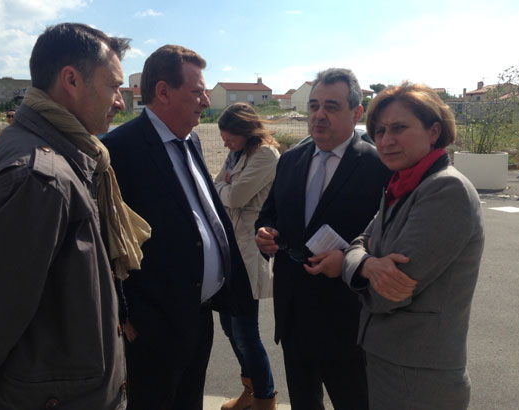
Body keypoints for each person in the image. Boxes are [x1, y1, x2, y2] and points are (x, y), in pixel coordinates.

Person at [0, 22, 151, 410]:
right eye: (114, 86)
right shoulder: (39, 177)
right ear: (71, 80)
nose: (120, 101)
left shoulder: (39, 150)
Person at [305, 83, 484, 410]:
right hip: (390, 363)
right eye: (380, 131)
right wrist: (365, 263)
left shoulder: (446, 189)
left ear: (433, 132)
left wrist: (353, 262)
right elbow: (359, 243)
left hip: (419, 377)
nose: (386, 140)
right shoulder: (404, 184)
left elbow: (388, 293)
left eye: (399, 128)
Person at [103, 45, 254, 410]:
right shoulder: (119, 149)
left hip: (197, 315)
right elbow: (106, 239)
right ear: (163, 92)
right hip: (152, 324)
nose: (206, 100)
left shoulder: (191, 139)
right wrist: (125, 315)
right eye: (197, 91)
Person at [255, 68, 392, 410]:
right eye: (314, 105)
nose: (318, 115)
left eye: (331, 107)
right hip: (293, 313)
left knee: (355, 402)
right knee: (303, 402)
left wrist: (348, 261)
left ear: (356, 113)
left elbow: (390, 237)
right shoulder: (290, 160)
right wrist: (265, 232)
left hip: (346, 318)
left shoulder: (378, 166)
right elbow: (269, 213)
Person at [214, 103, 279, 410]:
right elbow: (216, 186)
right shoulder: (237, 154)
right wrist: (225, 187)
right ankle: (249, 392)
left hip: (247, 251)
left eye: (230, 138)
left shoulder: (265, 155)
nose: (226, 144)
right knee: (230, 328)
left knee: (245, 333)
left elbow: (236, 196)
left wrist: (225, 187)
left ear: (245, 131)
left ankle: (264, 398)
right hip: (229, 251)